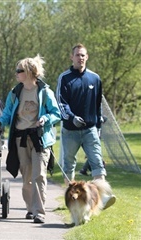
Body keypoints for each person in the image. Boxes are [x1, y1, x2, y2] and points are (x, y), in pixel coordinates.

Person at [0, 55, 61, 224]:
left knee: (39, 175)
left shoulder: (45, 92)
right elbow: (8, 112)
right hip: (20, 140)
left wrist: (45, 119)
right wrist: (0, 122)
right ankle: (30, 208)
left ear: (29, 72)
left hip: (39, 139)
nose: (16, 73)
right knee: (27, 178)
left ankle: (39, 212)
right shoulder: (15, 92)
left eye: (19, 71)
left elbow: (56, 113)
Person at [56, 43, 115, 208]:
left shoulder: (94, 78)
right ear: (71, 57)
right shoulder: (64, 78)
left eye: (83, 55)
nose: (80, 58)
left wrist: (98, 125)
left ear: (87, 57)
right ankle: (71, 199)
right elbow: (61, 103)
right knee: (69, 164)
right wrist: (72, 117)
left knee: (96, 161)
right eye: (77, 55)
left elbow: (98, 105)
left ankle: (101, 198)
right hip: (70, 130)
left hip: (90, 130)